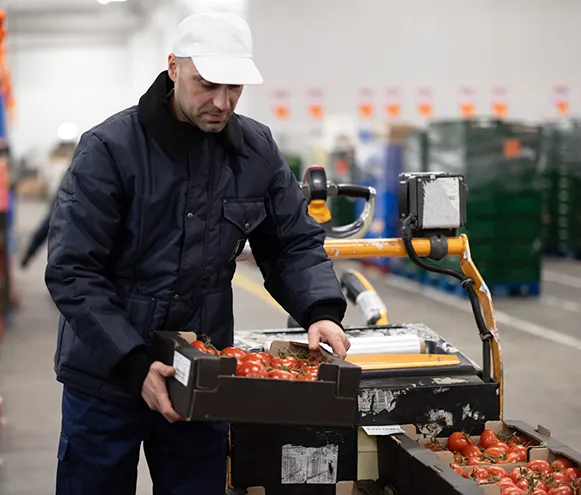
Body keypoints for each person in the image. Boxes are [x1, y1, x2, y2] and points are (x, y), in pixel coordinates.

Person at [44, 12, 351, 495]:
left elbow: (291, 241)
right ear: (173, 68)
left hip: (203, 373)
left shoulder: (255, 149)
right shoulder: (110, 149)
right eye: (206, 85)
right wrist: (133, 362)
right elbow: (73, 270)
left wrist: (320, 309)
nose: (221, 102)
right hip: (107, 376)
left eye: (234, 89)